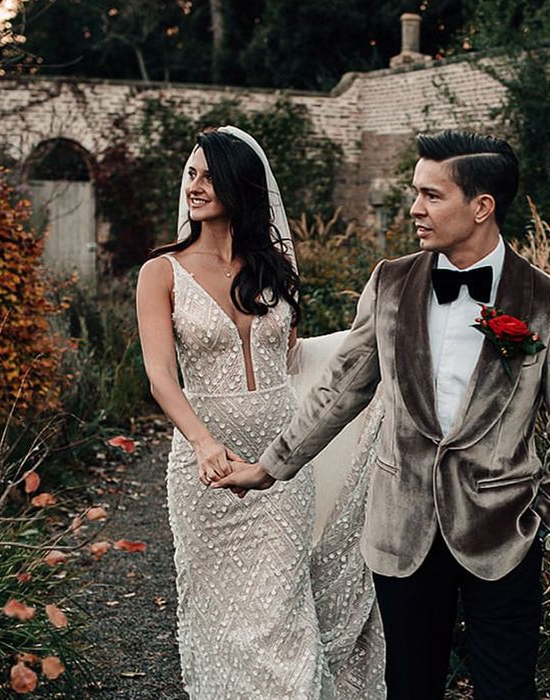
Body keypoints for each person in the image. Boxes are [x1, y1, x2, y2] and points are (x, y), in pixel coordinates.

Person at [214, 130, 550, 699]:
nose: (414, 208)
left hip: (505, 533)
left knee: (507, 689)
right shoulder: (390, 283)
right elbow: (341, 387)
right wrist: (269, 467)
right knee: (410, 688)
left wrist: (544, 519)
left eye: (431, 195)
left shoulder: (548, 301)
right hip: (403, 531)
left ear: (481, 206)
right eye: (414, 192)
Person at [135, 126, 385, 699]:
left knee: (281, 615)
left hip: (280, 470)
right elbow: (159, 377)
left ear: (240, 185)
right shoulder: (161, 273)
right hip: (206, 477)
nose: (194, 186)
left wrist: (376, 356)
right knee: (222, 620)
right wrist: (201, 442)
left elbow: (297, 359)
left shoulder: (273, 269)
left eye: (208, 175)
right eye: (191, 174)